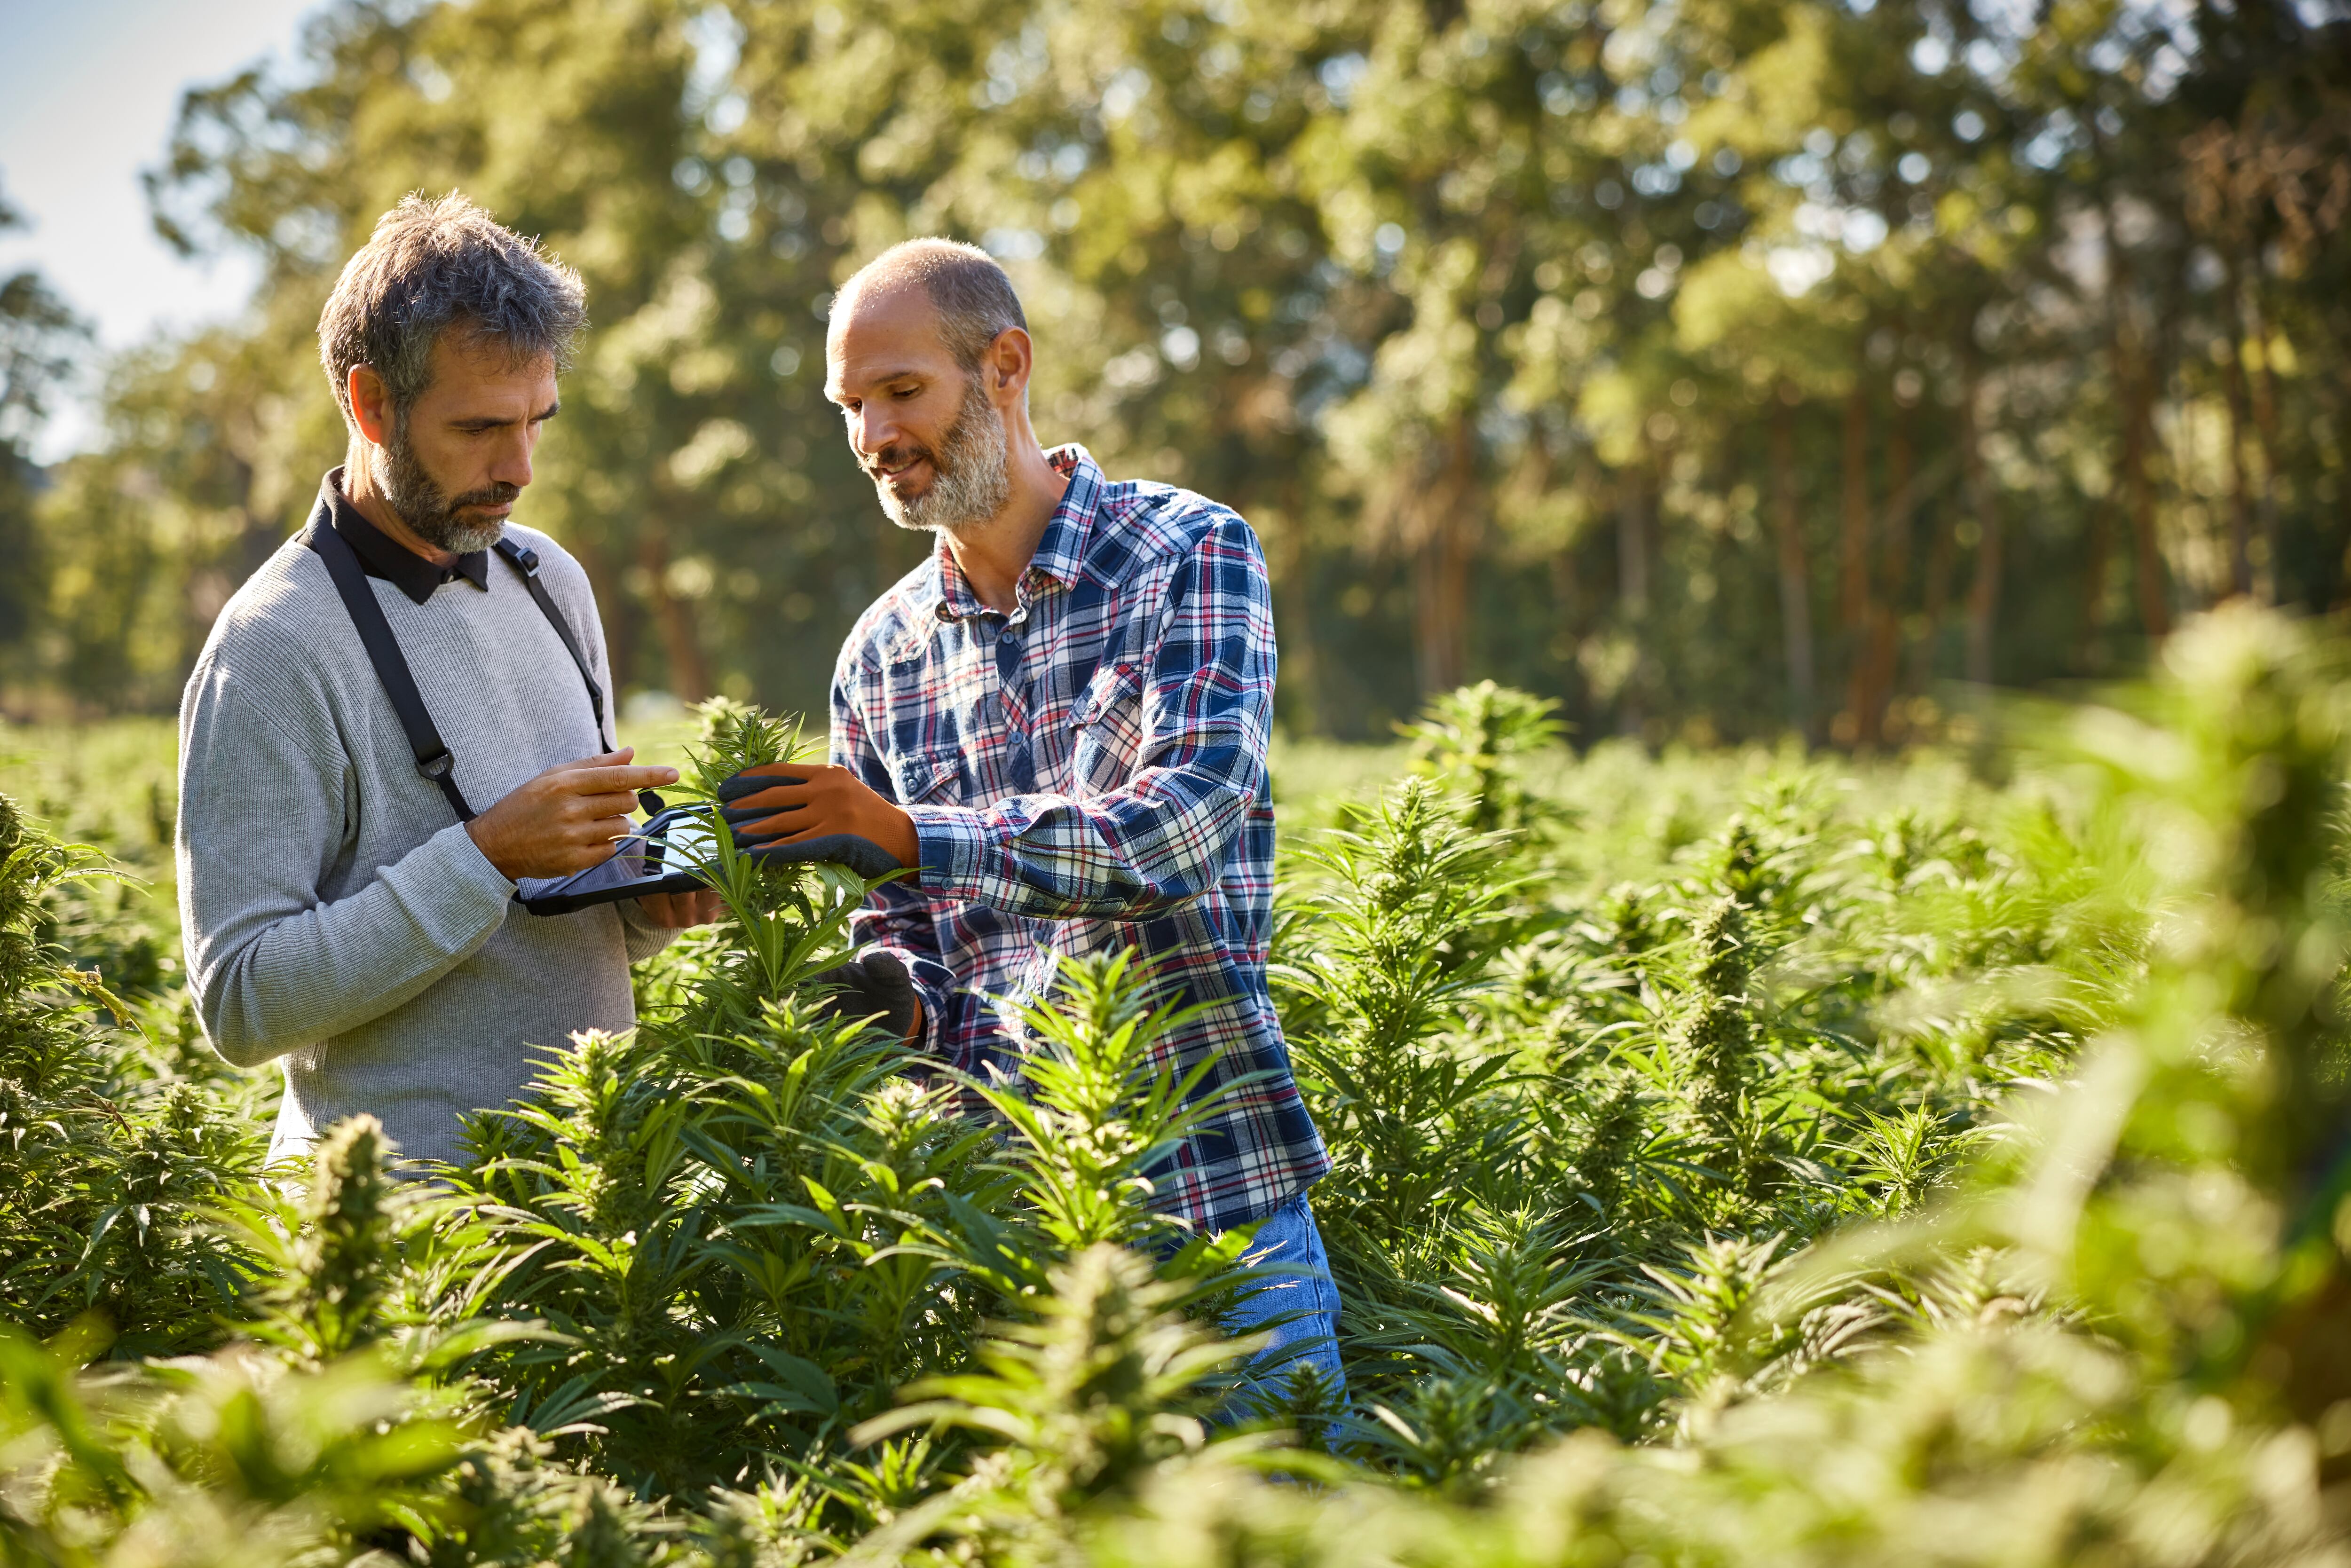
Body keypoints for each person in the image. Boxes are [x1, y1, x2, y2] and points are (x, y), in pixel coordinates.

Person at [726, 239, 1342, 1399]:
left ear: (1005, 366)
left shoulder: (1187, 552)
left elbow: (1180, 827)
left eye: (902, 392)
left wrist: (913, 835)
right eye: (850, 405)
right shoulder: (881, 655)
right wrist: (889, 993)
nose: (874, 437)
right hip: (1012, 1238)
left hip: (1215, 1212)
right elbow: (905, 923)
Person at [177, 193, 716, 1173]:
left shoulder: (550, 578)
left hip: (590, 1206)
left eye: (536, 422)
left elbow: (541, 944)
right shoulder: (270, 646)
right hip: (402, 1246)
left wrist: (646, 904)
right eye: (477, 427)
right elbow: (243, 1003)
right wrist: (484, 857)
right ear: (369, 403)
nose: (518, 468)